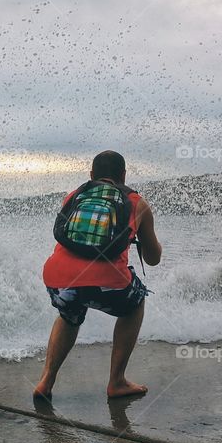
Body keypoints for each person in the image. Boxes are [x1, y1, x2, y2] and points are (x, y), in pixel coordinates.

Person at [34, 150, 162, 400]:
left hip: (59, 280)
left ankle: (46, 381)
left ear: (91, 174)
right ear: (124, 175)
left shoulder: (74, 195)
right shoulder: (137, 203)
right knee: (136, 302)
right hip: (108, 282)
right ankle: (116, 382)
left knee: (69, 315)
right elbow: (153, 259)